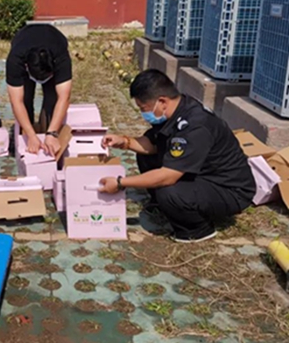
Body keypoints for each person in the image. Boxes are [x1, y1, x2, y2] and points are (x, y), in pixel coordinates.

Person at [99, 69, 256, 243]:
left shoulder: (195, 126)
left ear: (162, 102)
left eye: (143, 109)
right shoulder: (177, 109)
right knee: (146, 155)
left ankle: (196, 229)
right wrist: (124, 141)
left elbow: (168, 176)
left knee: (169, 191)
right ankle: (164, 205)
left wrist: (120, 183)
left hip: (229, 189)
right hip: (202, 173)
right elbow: (151, 144)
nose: (143, 114)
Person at [6, 24, 73, 157]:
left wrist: (52, 133)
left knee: (52, 100)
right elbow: (16, 102)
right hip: (23, 38)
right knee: (26, 99)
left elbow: (64, 98)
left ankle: (47, 133)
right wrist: (30, 135)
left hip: (54, 37)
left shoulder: (61, 58)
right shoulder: (16, 60)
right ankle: (25, 135)